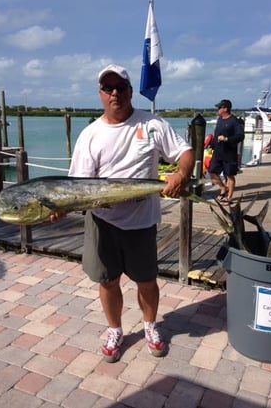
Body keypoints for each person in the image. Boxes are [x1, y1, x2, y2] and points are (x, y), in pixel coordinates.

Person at [67, 64, 195, 363]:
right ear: (100, 94)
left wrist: (181, 174)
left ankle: (150, 326)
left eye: (120, 88)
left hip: (142, 223)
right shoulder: (90, 135)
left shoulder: (152, 124)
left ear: (130, 90)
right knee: (108, 282)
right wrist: (60, 208)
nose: (115, 94)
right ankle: (115, 329)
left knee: (147, 281)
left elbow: (185, 152)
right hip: (103, 222)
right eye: (108, 88)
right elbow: (78, 187)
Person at [208, 99, 244, 206]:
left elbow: (240, 136)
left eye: (219, 108)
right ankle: (223, 188)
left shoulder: (234, 121)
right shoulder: (220, 119)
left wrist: (227, 139)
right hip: (218, 152)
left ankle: (229, 198)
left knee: (230, 175)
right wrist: (212, 146)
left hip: (229, 153)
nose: (218, 110)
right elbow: (216, 134)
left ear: (225, 108)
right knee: (212, 172)